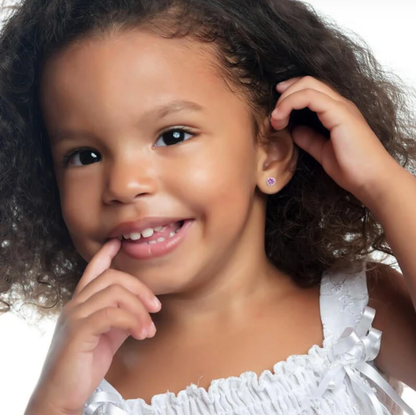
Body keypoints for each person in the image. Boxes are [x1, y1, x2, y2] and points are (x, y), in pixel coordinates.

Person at [0, 0, 415, 413]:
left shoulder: (358, 315)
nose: (124, 185)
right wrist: (53, 400)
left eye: (173, 136)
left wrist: (381, 181)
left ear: (269, 155)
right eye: (85, 156)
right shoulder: (86, 383)